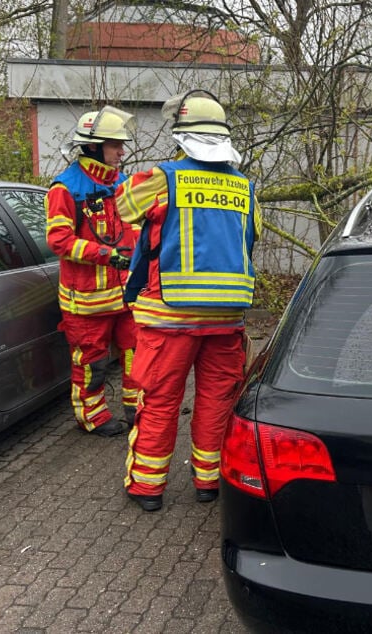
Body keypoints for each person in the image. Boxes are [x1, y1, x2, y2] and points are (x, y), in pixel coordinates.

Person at [116, 90, 261, 512]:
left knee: (160, 401)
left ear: (181, 137)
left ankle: (147, 488)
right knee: (216, 401)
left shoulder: (163, 179)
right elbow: (252, 237)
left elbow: (124, 207)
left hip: (169, 317)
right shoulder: (246, 188)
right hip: (227, 319)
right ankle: (208, 482)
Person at [46, 106, 140, 437]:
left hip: (126, 296)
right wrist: (105, 255)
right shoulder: (65, 188)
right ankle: (93, 416)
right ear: (93, 147)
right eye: (115, 145)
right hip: (86, 302)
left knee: (137, 355)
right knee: (92, 364)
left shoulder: (122, 183)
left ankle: (137, 411)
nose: (121, 152)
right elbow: (59, 241)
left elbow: (136, 229)